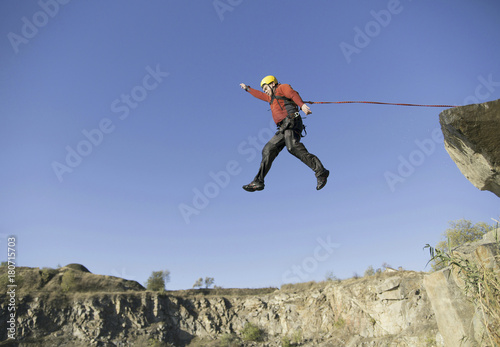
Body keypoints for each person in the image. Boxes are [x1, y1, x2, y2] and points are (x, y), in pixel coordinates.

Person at [239, 75, 329, 192]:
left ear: (272, 84)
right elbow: (259, 95)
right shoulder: (270, 98)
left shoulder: (282, 88)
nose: (265, 91)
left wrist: (302, 105)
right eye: (264, 90)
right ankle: (258, 181)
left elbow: (292, 94)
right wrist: (247, 88)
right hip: (283, 128)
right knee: (268, 149)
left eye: (266, 88)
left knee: (292, 147)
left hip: (292, 122)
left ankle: (321, 172)